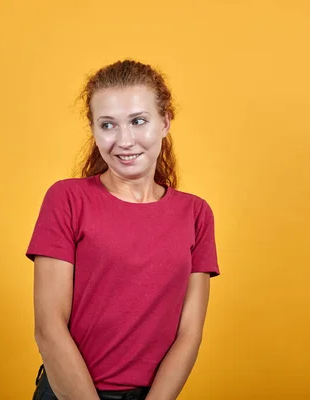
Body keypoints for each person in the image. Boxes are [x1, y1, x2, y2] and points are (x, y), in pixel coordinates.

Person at [25, 59, 220, 400]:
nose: (124, 140)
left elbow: (189, 333)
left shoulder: (196, 213)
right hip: (69, 393)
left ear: (165, 122)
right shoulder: (67, 199)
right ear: (94, 129)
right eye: (108, 125)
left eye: (138, 121)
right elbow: (48, 327)